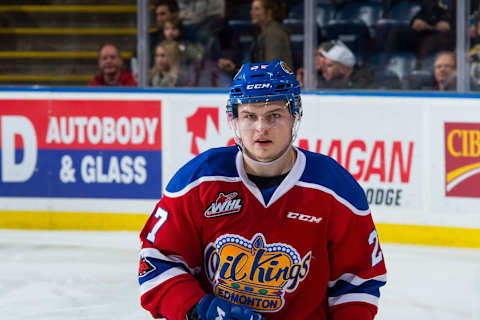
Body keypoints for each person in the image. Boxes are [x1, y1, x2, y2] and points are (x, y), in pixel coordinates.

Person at [138, 60, 387, 319]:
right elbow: (156, 263)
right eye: (249, 116)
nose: (261, 128)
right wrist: (202, 311)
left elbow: (358, 284)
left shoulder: (336, 189)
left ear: (295, 116)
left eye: (274, 115)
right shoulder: (198, 181)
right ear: (233, 119)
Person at [218, 0, 293, 77]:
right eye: (252, 9)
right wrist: (234, 69)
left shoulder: (275, 34)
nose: (251, 12)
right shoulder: (264, 33)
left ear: (269, 12)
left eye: (257, 9)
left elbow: (272, 70)